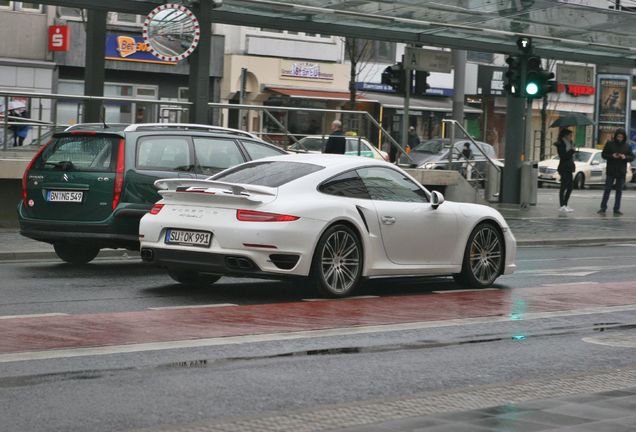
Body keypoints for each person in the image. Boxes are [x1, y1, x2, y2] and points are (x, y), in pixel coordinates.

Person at [598, 128, 634, 216]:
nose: (619, 138)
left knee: (619, 191)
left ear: (624, 137)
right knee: (607, 189)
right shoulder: (610, 144)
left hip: (621, 171)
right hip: (611, 170)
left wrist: (624, 157)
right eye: (618, 136)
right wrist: (612, 155)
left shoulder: (627, 146)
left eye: (621, 137)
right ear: (616, 136)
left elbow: (632, 157)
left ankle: (616, 208)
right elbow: (603, 155)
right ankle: (603, 207)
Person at [554, 128, 576, 213]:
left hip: (569, 167)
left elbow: (570, 155)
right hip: (564, 167)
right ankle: (562, 205)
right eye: (570, 135)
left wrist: (573, 151)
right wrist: (571, 151)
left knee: (570, 187)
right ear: (565, 136)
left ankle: (565, 204)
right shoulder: (561, 144)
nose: (571, 137)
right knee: (563, 186)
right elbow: (563, 156)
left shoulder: (570, 144)